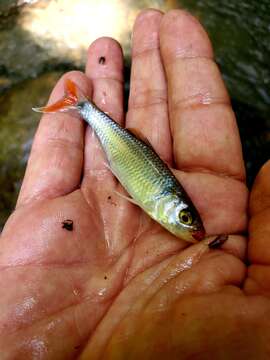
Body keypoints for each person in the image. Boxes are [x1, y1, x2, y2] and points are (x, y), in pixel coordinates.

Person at [0, 8, 269, 359]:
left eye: (187, 220)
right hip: (121, 144)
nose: (187, 226)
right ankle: (84, 108)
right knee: (95, 117)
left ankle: (83, 107)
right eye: (185, 218)